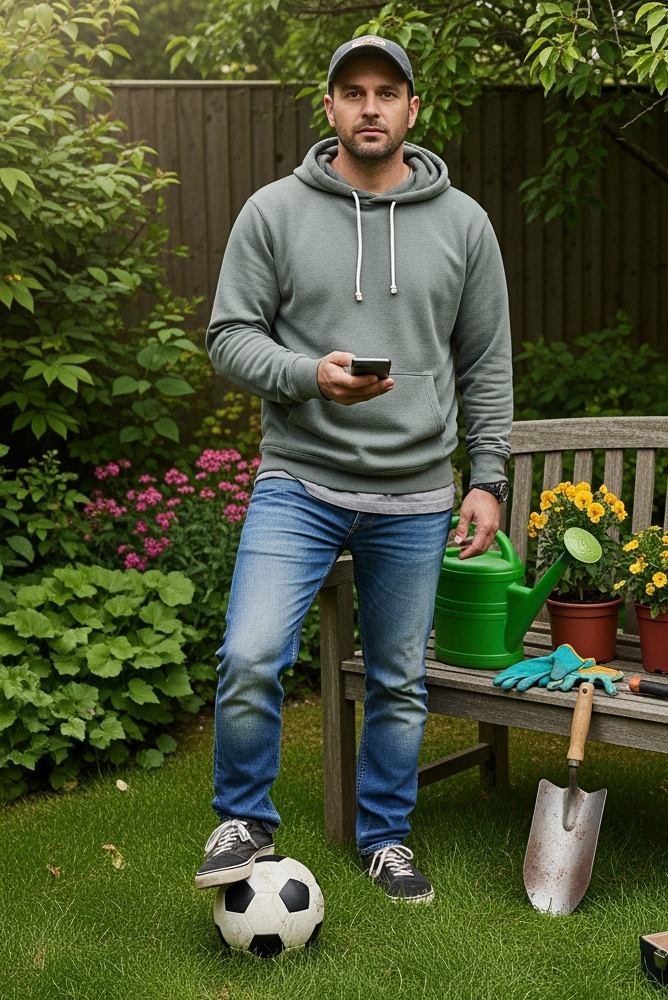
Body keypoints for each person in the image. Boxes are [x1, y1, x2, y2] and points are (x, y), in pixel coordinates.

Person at [194, 35, 513, 904]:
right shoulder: (273, 213)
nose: (370, 107)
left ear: (414, 109)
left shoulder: (465, 225)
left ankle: (386, 838)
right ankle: (244, 819)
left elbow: (485, 362)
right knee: (252, 653)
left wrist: (487, 477)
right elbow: (228, 336)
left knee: (398, 680)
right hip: (298, 480)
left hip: (414, 494)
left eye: (387, 92)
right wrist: (308, 376)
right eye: (353, 92)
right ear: (328, 107)